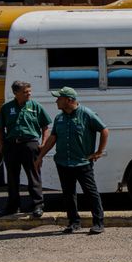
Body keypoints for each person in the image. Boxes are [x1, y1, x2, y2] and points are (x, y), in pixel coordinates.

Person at [35, 87, 109, 234]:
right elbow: (53, 138)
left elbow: (104, 130)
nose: (56, 101)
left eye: (59, 98)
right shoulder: (59, 118)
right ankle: (74, 222)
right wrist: (40, 156)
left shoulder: (87, 114)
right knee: (68, 194)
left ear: (69, 100)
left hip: (82, 162)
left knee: (90, 192)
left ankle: (98, 223)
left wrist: (99, 152)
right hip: (63, 162)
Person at [0, 80, 51, 218]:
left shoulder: (35, 106)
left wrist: (43, 143)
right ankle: (12, 207)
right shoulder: (6, 108)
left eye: (29, 91)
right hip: (11, 145)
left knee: (34, 175)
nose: (29, 94)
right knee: (12, 178)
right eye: (25, 92)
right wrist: (1, 146)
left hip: (30, 144)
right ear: (16, 93)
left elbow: (45, 127)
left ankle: (38, 205)